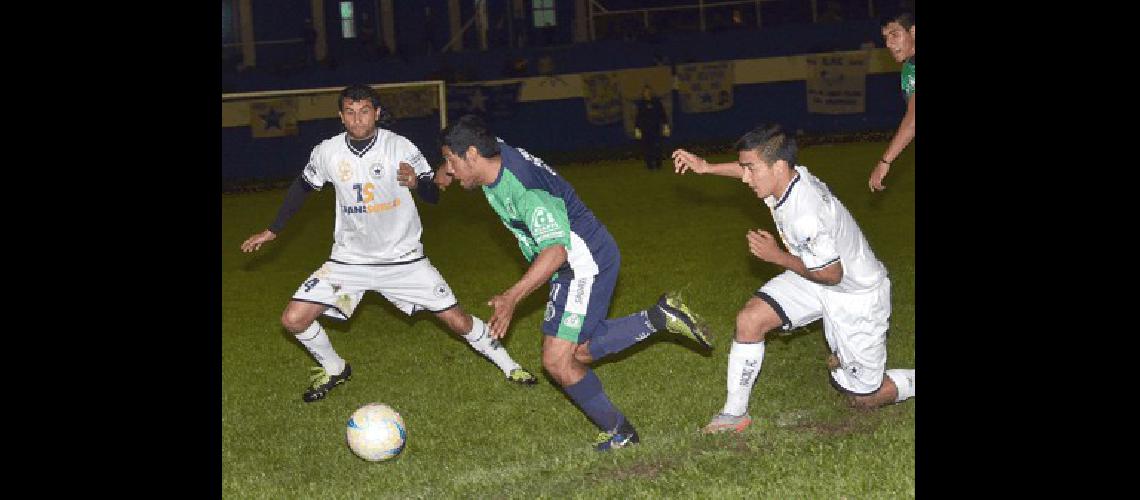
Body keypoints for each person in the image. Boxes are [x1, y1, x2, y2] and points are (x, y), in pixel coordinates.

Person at [240, 85, 537, 403]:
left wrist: (416, 183)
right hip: (349, 261)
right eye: (350, 113)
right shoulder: (327, 152)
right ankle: (336, 367)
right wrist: (274, 229)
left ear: (377, 114)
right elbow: (303, 187)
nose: (357, 119)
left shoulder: (399, 147)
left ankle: (510, 366)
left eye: (364, 111)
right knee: (293, 319)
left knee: (457, 320)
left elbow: (433, 194)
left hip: (404, 259)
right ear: (341, 116)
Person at [437, 114, 714, 451]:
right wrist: (442, 172)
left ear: (472, 155)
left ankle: (621, 432)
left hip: (582, 263)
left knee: (557, 360)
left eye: (451, 161)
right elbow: (466, 160)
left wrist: (512, 297)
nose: (448, 169)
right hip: (583, 255)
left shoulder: (523, 189)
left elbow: (555, 251)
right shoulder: (493, 156)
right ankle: (659, 317)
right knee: (579, 351)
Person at [672, 124, 915, 434]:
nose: (746, 177)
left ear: (778, 166)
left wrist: (777, 257)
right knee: (750, 320)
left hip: (855, 293)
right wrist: (706, 167)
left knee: (865, 399)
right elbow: (754, 163)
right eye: (744, 168)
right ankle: (734, 414)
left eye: (751, 170)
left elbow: (832, 274)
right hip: (815, 275)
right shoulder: (784, 179)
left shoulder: (805, 213)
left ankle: (861, 367)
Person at [868, 12, 915, 192]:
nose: (888, 43)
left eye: (895, 34)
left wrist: (885, 161)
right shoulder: (909, 68)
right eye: (886, 38)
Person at [633, 85, 670, 171]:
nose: (647, 93)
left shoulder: (656, 103)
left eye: (649, 91)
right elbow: (638, 117)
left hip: (656, 129)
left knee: (657, 147)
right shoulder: (641, 104)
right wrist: (637, 129)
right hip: (645, 130)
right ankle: (650, 165)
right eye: (645, 92)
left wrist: (665, 126)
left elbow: (662, 115)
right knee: (647, 148)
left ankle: (658, 164)